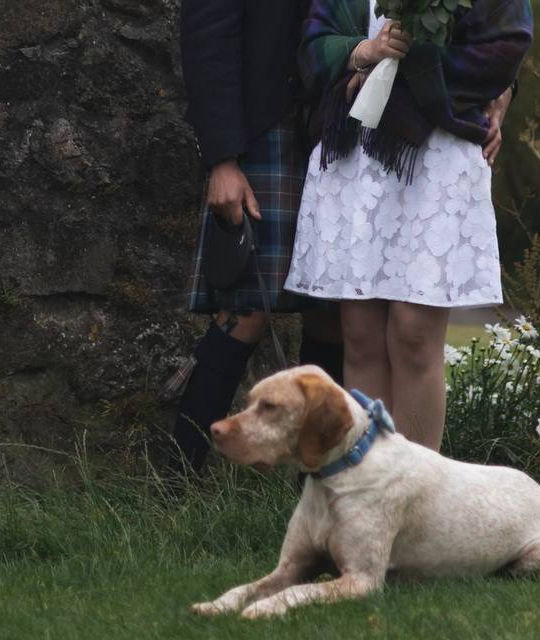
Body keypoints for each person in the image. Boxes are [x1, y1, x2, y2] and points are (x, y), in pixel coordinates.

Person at [285, 0, 533, 450]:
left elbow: (504, 48)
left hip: (436, 151)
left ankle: (416, 503)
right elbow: (313, 46)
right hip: (355, 152)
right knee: (358, 336)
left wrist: (406, 72)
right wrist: (363, 52)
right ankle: (370, 495)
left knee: (413, 333)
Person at [170, 0, 344, 473]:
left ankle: (319, 484)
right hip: (271, 128)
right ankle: (172, 483)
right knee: (244, 310)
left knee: (334, 313)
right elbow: (208, 37)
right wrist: (223, 159)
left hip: (347, 134)